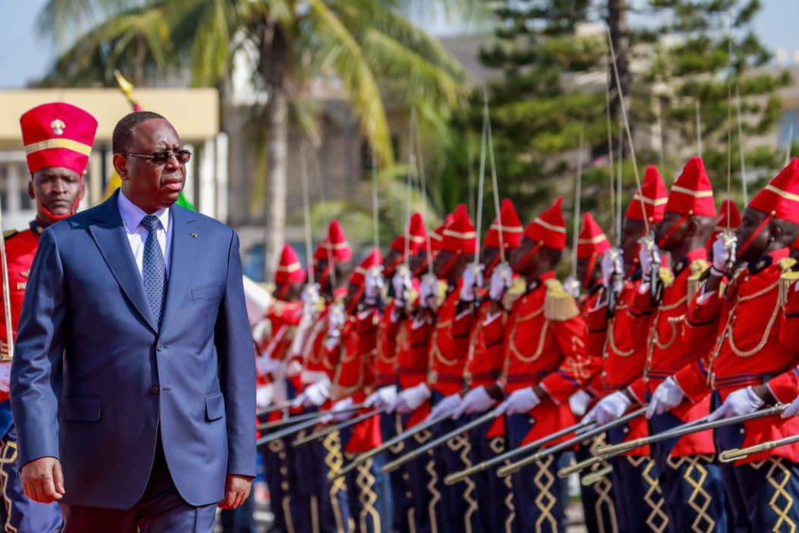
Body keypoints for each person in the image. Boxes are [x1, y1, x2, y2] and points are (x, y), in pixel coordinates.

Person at [10, 111, 256, 532]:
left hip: (192, 464)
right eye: (160, 156)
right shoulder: (69, 241)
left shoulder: (217, 242)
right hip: (98, 463)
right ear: (122, 165)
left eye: (181, 155)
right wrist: (38, 449)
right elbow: (36, 359)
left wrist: (241, 458)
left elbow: (235, 359)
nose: (175, 166)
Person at [675, 159, 799, 530]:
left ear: (773, 231)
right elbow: (694, 343)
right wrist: (714, 277)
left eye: (747, 224)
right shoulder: (741, 282)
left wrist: (762, 393)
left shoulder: (787, 282)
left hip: (772, 435)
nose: (736, 232)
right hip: (732, 428)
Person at [0, 102, 98, 532]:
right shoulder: (5, 253)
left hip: (95, 409)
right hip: (20, 413)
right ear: (31, 186)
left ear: (82, 185)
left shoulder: (104, 248)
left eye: (67, 179)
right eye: (47, 179)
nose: (58, 188)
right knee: (30, 521)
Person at [629, 158, 729, 530]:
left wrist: (680, 385)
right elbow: (636, 341)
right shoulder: (675, 279)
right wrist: (644, 284)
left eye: (668, 219)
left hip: (692, 423)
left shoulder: (701, 279)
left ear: (691, 223)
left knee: (698, 521)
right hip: (664, 418)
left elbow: (717, 349)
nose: (659, 227)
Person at [587, 166, 669, 532]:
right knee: (627, 519)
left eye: (631, 234)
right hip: (621, 420)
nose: (622, 242)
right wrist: (607, 292)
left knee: (650, 519)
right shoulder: (626, 288)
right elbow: (597, 345)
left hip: (643, 419)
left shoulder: (661, 286)